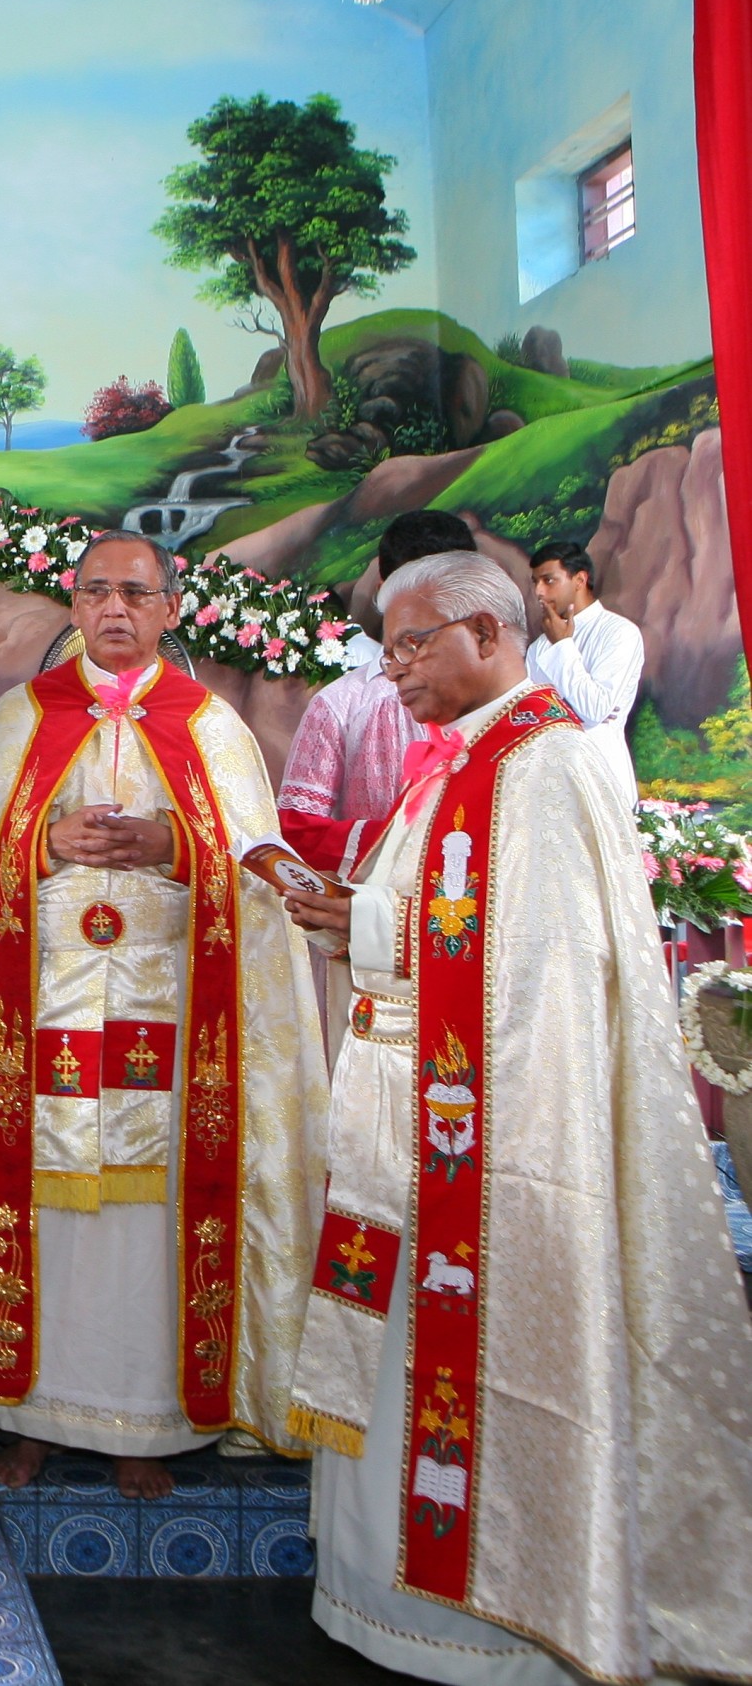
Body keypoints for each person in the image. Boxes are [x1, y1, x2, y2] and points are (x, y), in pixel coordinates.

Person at [276, 551, 752, 1682]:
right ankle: (377, 1600)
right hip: (409, 1123)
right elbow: (443, 923)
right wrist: (355, 915)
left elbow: (537, 973)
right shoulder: (465, 758)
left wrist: (367, 926)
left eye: (411, 643)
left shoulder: (547, 764)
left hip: (495, 1145)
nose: (392, 669)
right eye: (386, 646)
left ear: (488, 633)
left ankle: (494, 1625)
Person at [0, 530, 325, 1498]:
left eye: (134, 593)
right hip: (40, 1012)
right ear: (74, 602)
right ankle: (31, 1416)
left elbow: (253, 871)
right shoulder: (18, 718)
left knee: (150, 1213)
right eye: (96, 591)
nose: (114, 609)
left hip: (169, 1018)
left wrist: (175, 842)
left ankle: (150, 1420)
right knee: (40, 1198)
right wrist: (42, 838)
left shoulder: (210, 726)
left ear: (170, 607)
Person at [277, 510, 476, 876]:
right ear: (385, 590)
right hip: (376, 900)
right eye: (414, 594)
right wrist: (406, 842)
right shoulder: (341, 703)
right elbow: (298, 828)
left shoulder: (502, 700)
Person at [525, 539, 644, 801]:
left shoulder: (619, 632)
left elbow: (592, 710)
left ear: (580, 580)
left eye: (548, 580)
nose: (539, 592)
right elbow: (535, 715)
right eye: (535, 582)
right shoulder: (538, 647)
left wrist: (562, 646)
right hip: (552, 783)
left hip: (604, 778)